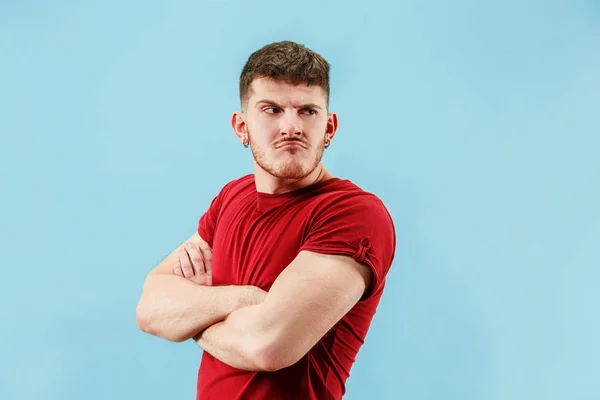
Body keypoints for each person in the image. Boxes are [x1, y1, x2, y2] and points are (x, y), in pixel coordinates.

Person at [136, 40, 396, 400]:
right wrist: (239, 300)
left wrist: (192, 317)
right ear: (241, 127)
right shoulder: (231, 198)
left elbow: (266, 347)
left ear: (329, 127)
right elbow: (150, 308)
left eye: (307, 111)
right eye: (271, 110)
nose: (291, 127)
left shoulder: (353, 213)